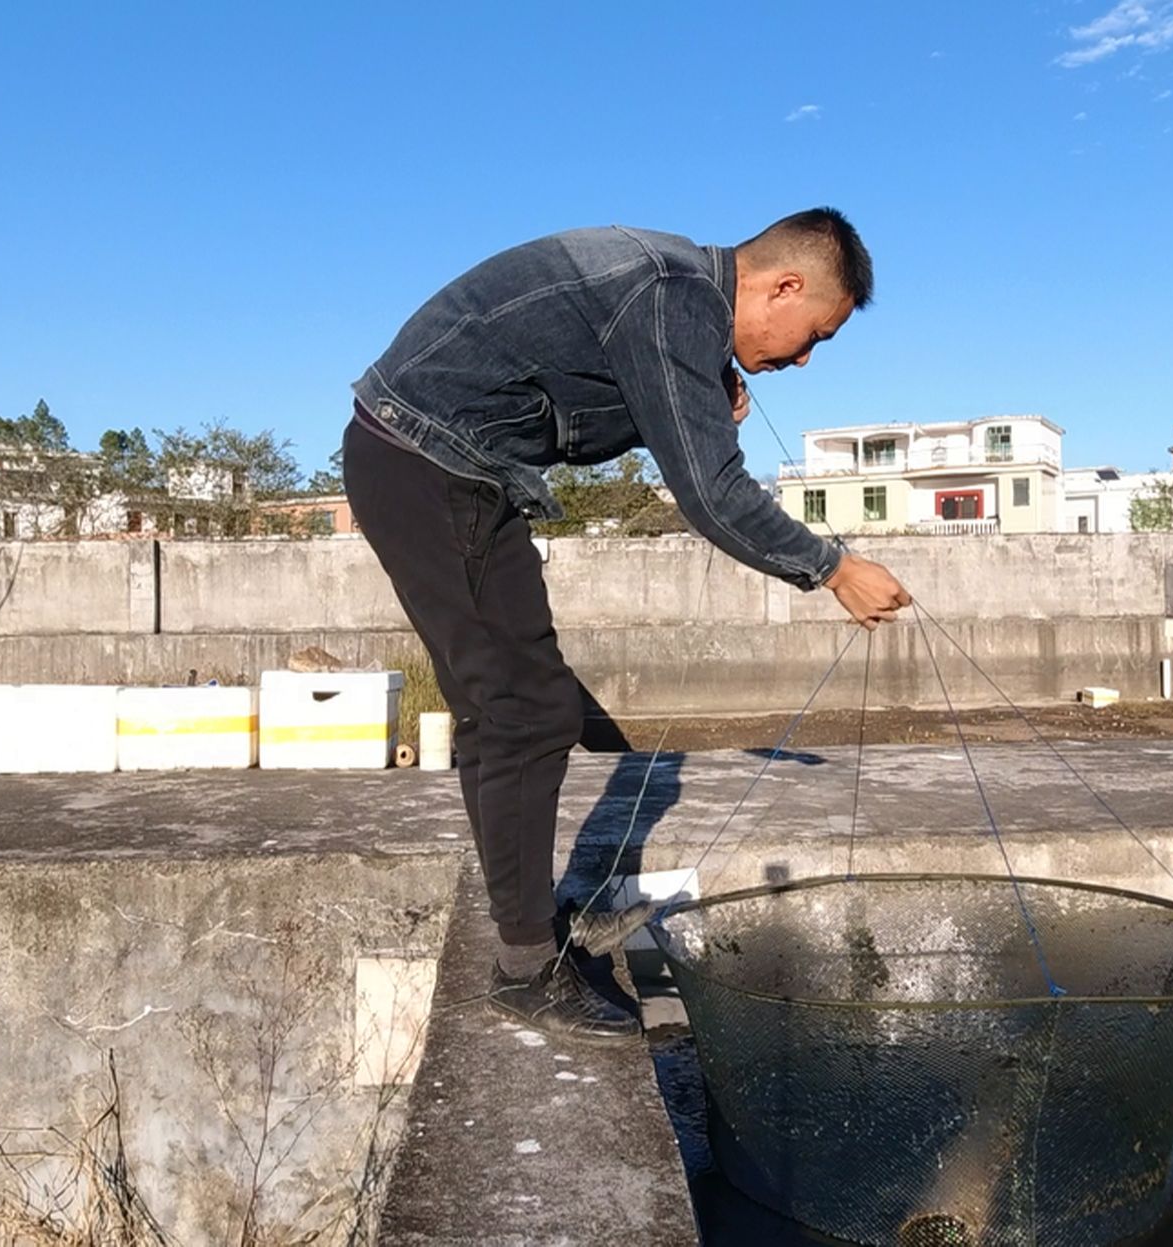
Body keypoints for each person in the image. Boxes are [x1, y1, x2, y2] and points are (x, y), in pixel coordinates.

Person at [343, 208, 911, 1042]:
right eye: (811, 334)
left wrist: (696, 394)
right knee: (522, 710)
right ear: (782, 286)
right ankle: (525, 967)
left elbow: (576, 412)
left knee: (516, 708)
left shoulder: (670, 289)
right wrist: (832, 567)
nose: (800, 358)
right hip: (428, 463)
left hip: (444, 461)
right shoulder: (671, 295)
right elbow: (713, 495)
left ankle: (529, 930)